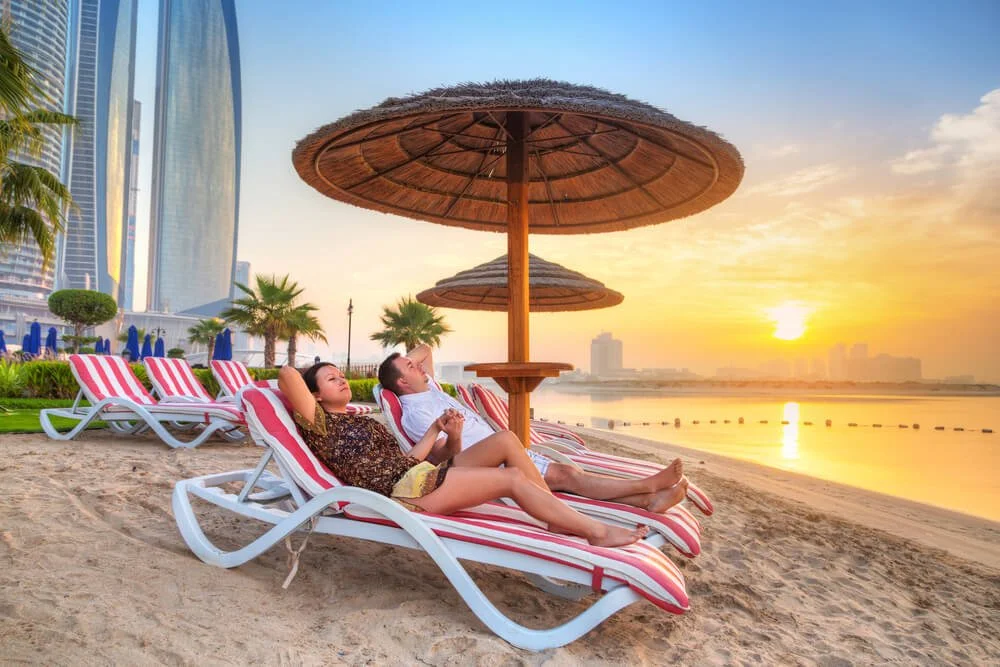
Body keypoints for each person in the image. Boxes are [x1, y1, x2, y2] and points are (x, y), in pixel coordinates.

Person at [278, 363, 648, 548]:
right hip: (406, 493)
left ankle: (554, 515)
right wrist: (310, 391)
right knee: (512, 478)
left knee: (504, 439)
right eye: (331, 379)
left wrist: (439, 430)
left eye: (341, 374)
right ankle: (595, 531)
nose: (342, 379)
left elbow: (409, 459)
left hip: (415, 474)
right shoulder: (319, 424)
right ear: (315, 397)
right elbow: (286, 374)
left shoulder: (369, 423)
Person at [378, 345, 688, 513]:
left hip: (500, 451)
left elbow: (426, 349)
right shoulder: (416, 414)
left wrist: (403, 361)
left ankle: (648, 501)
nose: (417, 365)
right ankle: (644, 487)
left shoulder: (428, 386)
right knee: (567, 476)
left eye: (413, 362)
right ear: (403, 383)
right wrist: (455, 435)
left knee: (568, 478)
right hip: (476, 463)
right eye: (409, 367)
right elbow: (440, 459)